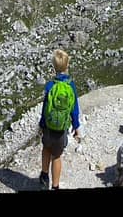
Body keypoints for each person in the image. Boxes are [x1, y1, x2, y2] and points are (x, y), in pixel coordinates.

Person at [38, 48, 81, 190]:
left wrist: (41, 125)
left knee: (46, 148)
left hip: (48, 127)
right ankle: (55, 186)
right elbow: (74, 109)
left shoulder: (50, 86)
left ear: (54, 67)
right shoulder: (71, 86)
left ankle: (44, 176)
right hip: (61, 128)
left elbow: (45, 109)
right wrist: (76, 127)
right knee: (57, 156)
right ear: (67, 66)